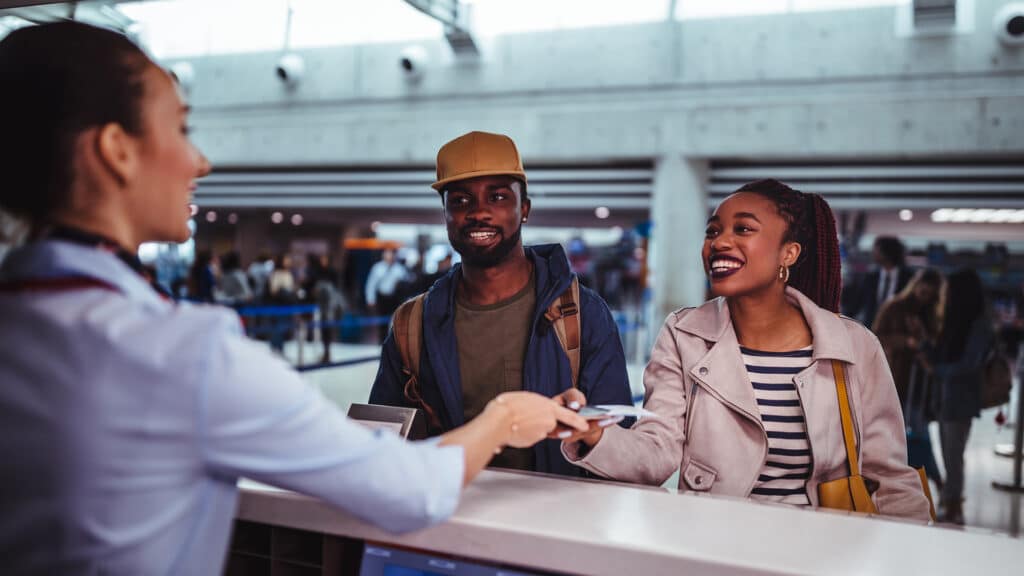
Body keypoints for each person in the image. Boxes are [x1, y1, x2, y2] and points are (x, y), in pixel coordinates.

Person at [0, 22, 588, 575]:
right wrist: (505, 418)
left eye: (496, 197)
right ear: (115, 151)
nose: (199, 160)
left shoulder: (30, 315)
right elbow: (408, 486)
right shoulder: (181, 353)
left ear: (523, 209)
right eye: (180, 128)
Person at [557, 179, 931, 520]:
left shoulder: (853, 346)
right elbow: (659, 450)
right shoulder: (684, 334)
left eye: (744, 229)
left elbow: (889, 477)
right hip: (715, 543)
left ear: (789, 253)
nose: (719, 242)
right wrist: (593, 435)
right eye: (713, 231)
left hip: (823, 554)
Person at [370, 131, 632, 476]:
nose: (479, 212)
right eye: (461, 201)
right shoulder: (413, 323)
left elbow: (621, 446)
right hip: (449, 517)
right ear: (445, 213)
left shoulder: (581, 314)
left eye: (497, 197)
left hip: (555, 519)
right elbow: (383, 438)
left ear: (524, 209)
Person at [920, 268, 994, 525]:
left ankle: (952, 503)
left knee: (953, 454)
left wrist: (936, 369)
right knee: (949, 453)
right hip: (943, 398)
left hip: (960, 399)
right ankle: (950, 501)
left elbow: (969, 364)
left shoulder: (978, 325)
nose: (945, 295)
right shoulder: (953, 321)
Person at [872, 268, 944, 493]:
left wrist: (923, 341)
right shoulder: (894, 307)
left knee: (918, 433)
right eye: (923, 290)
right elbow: (875, 337)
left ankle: (923, 477)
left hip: (921, 386)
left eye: (930, 293)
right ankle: (895, 478)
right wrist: (906, 341)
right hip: (895, 379)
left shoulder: (932, 313)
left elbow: (936, 343)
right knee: (894, 432)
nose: (925, 296)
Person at [844, 236, 914, 328]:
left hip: (898, 331)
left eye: (876, 250)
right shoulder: (871, 277)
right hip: (872, 330)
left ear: (887, 252)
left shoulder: (909, 278)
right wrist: (842, 319)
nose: (873, 253)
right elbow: (857, 304)